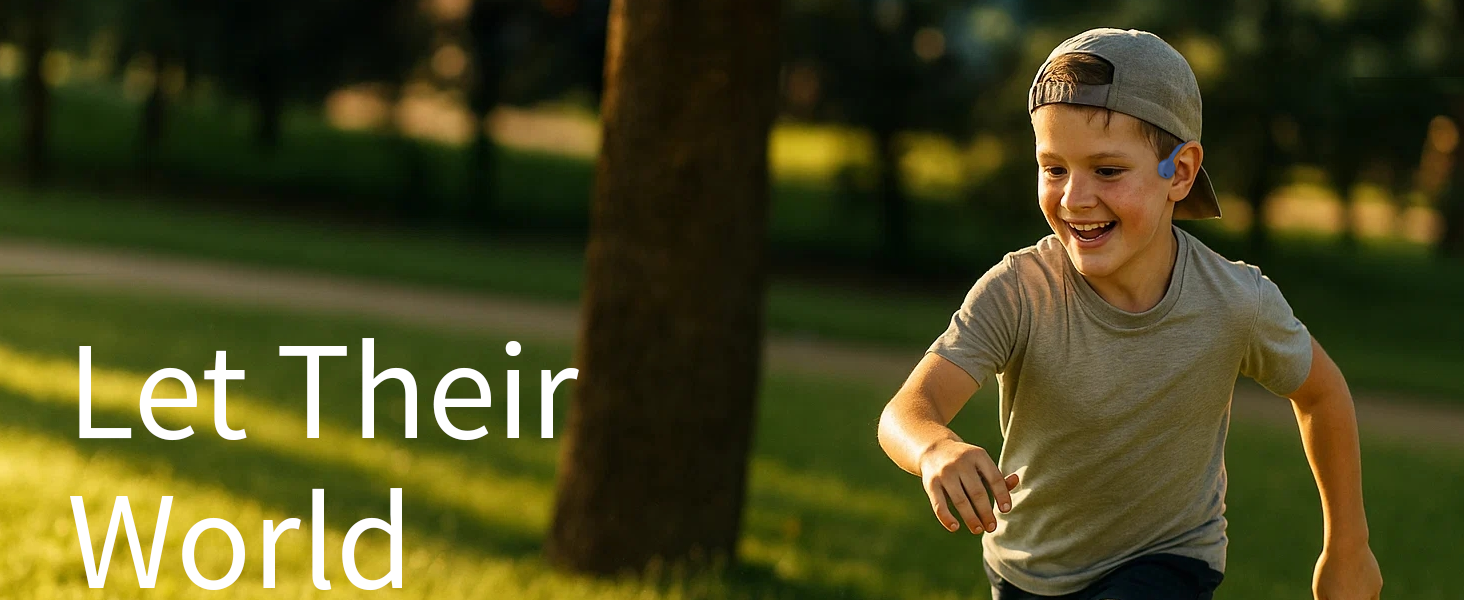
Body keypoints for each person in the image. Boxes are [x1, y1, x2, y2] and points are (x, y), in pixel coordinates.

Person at [875, 28, 1384, 600]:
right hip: (1027, 571)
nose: (1074, 198)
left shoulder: (1236, 300)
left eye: (1108, 171)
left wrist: (1348, 546)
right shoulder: (1019, 290)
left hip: (1169, 559)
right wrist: (935, 448)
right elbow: (906, 411)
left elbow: (1322, 392)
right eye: (1054, 168)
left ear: (1181, 172)